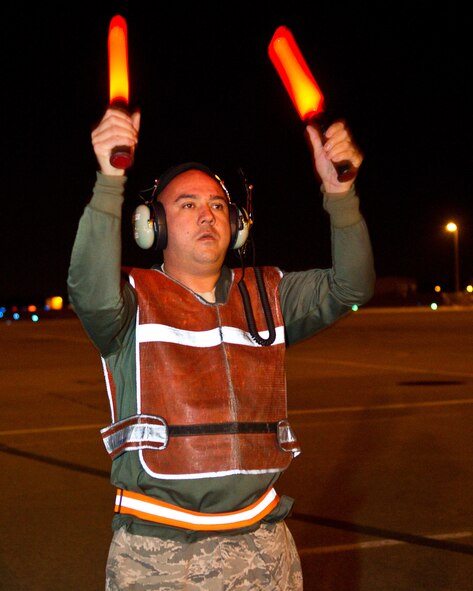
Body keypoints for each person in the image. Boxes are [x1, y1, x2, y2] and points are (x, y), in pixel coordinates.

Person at [67, 105, 375, 590]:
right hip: (159, 556)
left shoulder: (268, 293)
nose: (206, 214)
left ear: (238, 223)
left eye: (217, 205)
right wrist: (110, 178)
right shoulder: (129, 302)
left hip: (263, 545)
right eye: (187, 204)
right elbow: (89, 291)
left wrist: (340, 194)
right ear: (152, 226)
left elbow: (351, 287)